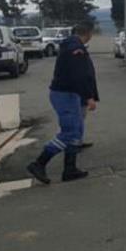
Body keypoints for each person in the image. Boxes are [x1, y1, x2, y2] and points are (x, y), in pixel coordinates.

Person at [26, 21, 98, 184]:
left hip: (70, 94)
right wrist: (89, 97)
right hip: (65, 95)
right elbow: (79, 75)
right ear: (88, 34)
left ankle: (70, 169)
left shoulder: (71, 45)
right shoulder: (76, 48)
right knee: (70, 132)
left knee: (76, 131)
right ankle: (39, 163)